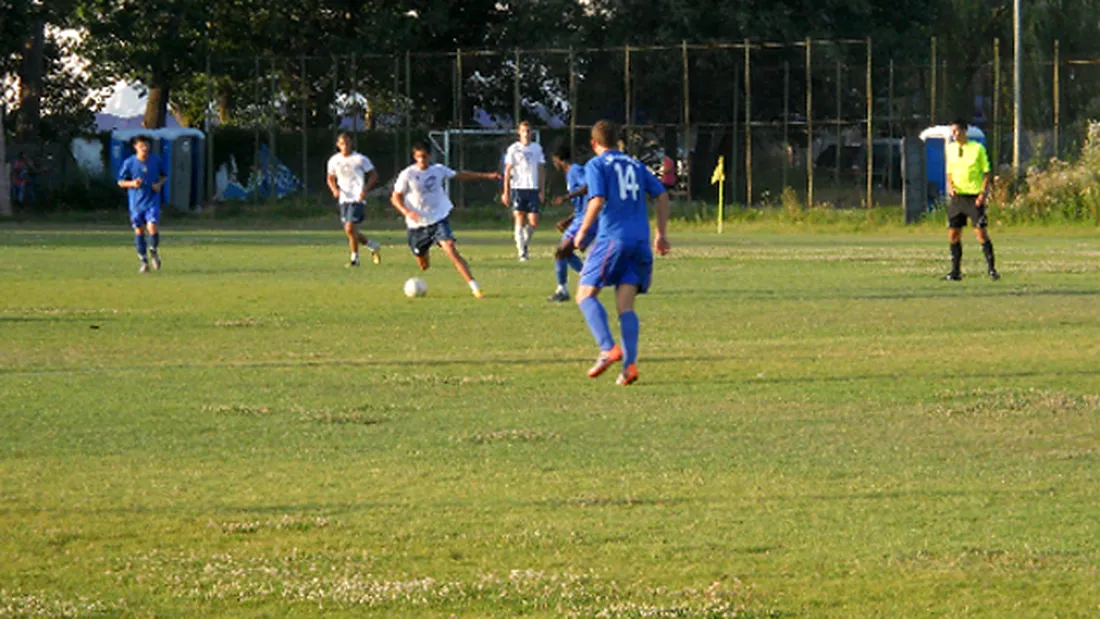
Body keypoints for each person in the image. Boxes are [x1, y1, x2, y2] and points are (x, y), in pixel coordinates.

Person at [574, 120, 671, 386]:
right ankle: (629, 366)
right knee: (625, 306)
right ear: (618, 141)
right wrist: (660, 233)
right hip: (640, 242)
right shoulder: (636, 165)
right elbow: (661, 195)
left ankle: (607, 349)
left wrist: (582, 232)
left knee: (584, 295)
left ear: (594, 144)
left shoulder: (595, 165)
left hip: (612, 239)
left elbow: (597, 200)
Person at [390, 142, 501, 299]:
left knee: (451, 249)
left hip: (438, 219)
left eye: (424, 156)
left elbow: (460, 175)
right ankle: (424, 253)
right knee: (423, 264)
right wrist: (406, 211)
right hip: (417, 226)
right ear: (415, 157)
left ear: (429, 156)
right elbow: (395, 197)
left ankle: (475, 288)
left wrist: (486, 176)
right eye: (418, 157)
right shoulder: (407, 174)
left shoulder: (438, 170)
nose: (422, 160)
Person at [944, 118, 998, 281]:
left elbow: (987, 172)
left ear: (964, 131)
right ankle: (955, 272)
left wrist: (983, 194)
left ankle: (991, 269)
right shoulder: (950, 149)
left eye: (956, 131)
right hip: (957, 198)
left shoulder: (977, 148)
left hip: (974, 197)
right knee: (953, 234)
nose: (954, 134)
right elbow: (949, 171)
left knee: (981, 234)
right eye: (952, 132)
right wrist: (950, 186)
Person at [326, 133, 381, 267]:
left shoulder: (360, 159)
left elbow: (373, 175)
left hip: (357, 198)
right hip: (344, 198)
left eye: (347, 143)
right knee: (350, 231)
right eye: (342, 144)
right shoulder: (334, 160)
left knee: (350, 228)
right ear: (338, 145)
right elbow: (330, 178)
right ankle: (372, 245)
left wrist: (365, 190)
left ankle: (355, 259)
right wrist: (334, 189)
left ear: (351, 144)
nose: (345, 146)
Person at [117, 136, 167, 273]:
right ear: (135, 147)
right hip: (136, 203)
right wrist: (132, 184)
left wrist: (159, 184)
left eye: (146, 145)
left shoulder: (155, 160)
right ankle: (144, 261)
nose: (144, 148)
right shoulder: (129, 162)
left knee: (152, 227)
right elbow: (120, 181)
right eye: (141, 146)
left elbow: (164, 176)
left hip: (152, 201)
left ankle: (153, 251)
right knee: (139, 230)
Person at [547, 145, 591, 302]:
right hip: (579, 218)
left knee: (561, 251)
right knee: (564, 252)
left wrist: (565, 197)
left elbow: (588, 187)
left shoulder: (575, 170)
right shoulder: (569, 174)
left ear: (559, 160)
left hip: (586, 219)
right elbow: (582, 202)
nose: (554, 164)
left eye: (554, 161)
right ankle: (585, 275)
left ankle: (564, 289)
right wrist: (569, 219)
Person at [501, 121, 546, 261]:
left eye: (528, 130)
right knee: (519, 217)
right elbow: (507, 171)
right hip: (518, 187)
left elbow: (541, 169)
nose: (526, 133)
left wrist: (542, 189)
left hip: (532, 188)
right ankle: (522, 252)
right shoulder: (513, 149)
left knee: (533, 221)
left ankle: (524, 243)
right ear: (519, 132)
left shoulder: (536, 148)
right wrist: (506, 191)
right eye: (524, 130)